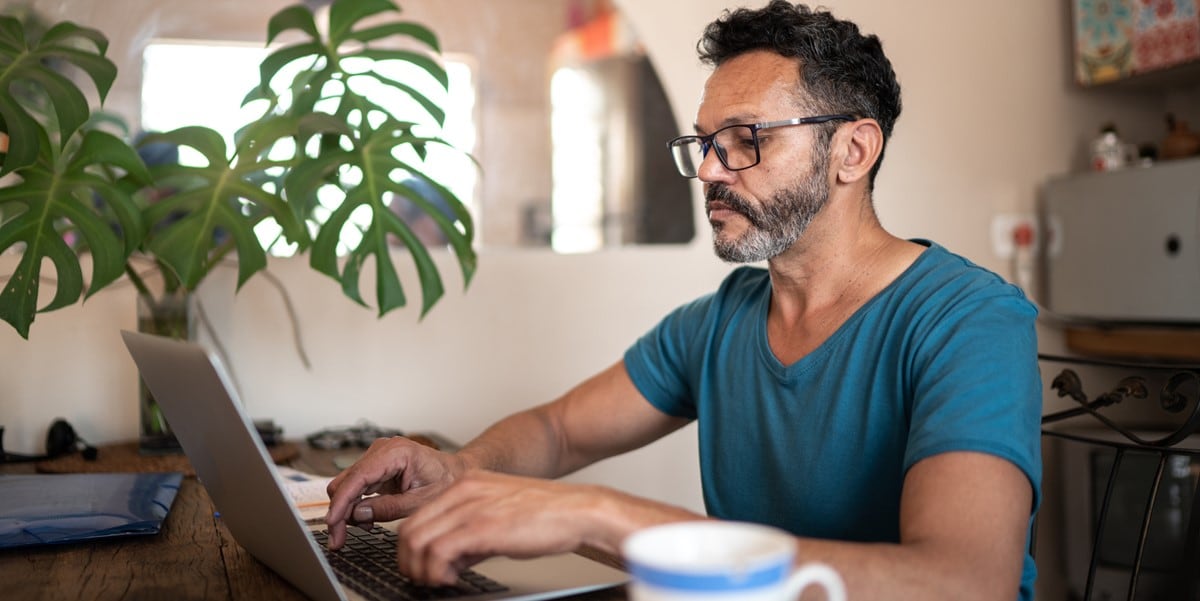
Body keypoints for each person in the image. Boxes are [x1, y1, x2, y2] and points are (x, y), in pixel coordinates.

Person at [325, 2, 1042, 600]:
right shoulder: (724, 319)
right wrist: (461, 466)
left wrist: (597, 513)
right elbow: (561, 430)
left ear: (853, 152)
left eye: (743, 139)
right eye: (704, 142)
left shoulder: (969, 322)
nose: (706, 169)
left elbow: (964, 580)